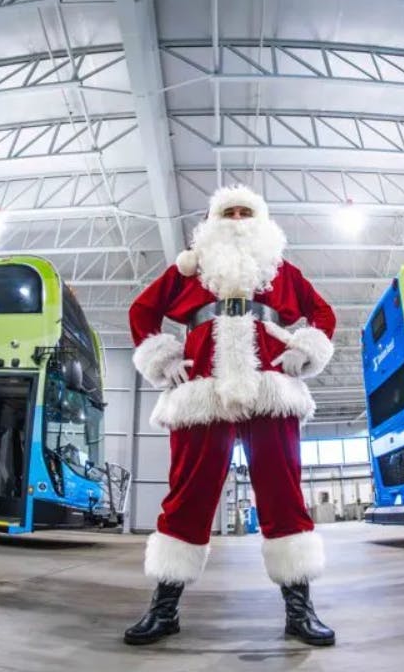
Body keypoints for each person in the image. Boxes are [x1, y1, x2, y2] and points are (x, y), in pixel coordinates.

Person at [124, 184, 337, 647]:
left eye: (246, 211)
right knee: (187, 494)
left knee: (283, 492)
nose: (238, 219)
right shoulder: (189, 267)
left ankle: (299, 611)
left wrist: (303, 351)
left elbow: (322, 313)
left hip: (269, 389)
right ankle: (165, 609)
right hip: (202, 390)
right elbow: (142, 311)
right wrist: (164, 360)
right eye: (228, 211)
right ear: (211, 221)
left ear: (260, 220)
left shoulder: (282, 269)